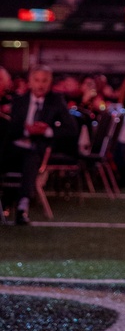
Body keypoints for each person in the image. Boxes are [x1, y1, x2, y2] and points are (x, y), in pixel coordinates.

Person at [2, 66, 74, 224]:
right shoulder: (19, 101)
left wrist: (47, 130)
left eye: (44, 81)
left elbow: (71, 129)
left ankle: (22, 206)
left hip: (39, 149)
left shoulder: (56, 101)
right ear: (30, 82)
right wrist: (26, 130)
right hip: (15, 147)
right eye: (37, 80)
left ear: (49, 83)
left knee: (30, 158)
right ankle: (5, 203)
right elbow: (11, 130)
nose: (40, 85)